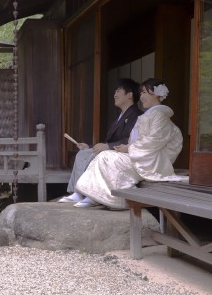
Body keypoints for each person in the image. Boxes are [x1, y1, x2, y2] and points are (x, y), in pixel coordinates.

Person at [75, 77, 188, 209]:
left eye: (145, 92)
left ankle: (110, 199)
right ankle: (95, 195)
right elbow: (137, 139)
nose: (141, 97)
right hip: (142, 155)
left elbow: (154, 141)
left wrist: (129, 147)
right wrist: (128, 147)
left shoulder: (160, 115)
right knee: (104, 156)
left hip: (151, 161)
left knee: (106, 157)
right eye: (141, 93)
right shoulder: (150, 114)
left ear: (156, 94)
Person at [59, 78, 142, 206]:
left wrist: (107, 146)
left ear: (129, 95)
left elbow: (132, 140)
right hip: (114, 149)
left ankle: (92, 194)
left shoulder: (136, 115)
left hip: (124, 153)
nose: (115, 95)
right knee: (83, 153)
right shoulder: (120, 116)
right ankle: (79, 192)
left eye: (118, 91)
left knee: (91, 155)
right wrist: (89, 146)